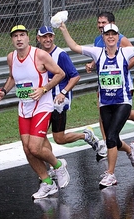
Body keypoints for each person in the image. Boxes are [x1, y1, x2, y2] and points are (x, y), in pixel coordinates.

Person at [59, 22, 134, 188]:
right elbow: (74, 46)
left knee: (109, 138)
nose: (110, 37)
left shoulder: (125, 52)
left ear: (118, 38)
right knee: (114, 139)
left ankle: (110, 174)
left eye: (113, 34)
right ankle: (131, 150)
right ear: (103, 37)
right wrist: (64, 29)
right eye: (107, 34)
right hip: (105, 103)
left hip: (122, 101)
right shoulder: (97, 53)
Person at [0, 25, 69, 199]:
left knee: (35, 147)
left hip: (42, 105)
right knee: (27, 150)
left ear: (29, 38)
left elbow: (60, 73)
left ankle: (58, 166)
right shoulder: (11, 57)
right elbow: (13, 77)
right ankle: (48, 183)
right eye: (15, 36)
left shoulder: (40, 55)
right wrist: (3, 92)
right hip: (24, 107)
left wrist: (44, 88)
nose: (19, 39)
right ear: (12, 40)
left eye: (22, 35)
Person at [86, 12, 134, 157]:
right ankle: (105, 143)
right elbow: (100, 56)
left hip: (123, 84)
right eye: (99, 22)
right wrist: (91, 64)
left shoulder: (120, 39)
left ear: (112, 24)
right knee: (103, 113)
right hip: (104, 84)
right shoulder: (98, 39)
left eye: (103, 22)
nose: (100, 25)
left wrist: (121, 69)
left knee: (123, 114)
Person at [36, 26, 102, 159]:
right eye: (44, 37)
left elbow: (75, 76)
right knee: (38, 135)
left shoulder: (60, 55)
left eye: (50, 36)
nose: (48, 39)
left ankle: (85, 136)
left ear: (54, 37)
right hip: (42, 101)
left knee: (59, 138)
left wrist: (63, 92)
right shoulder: (37, 54)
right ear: (39, 39)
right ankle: (53, 165)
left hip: (57, 102)